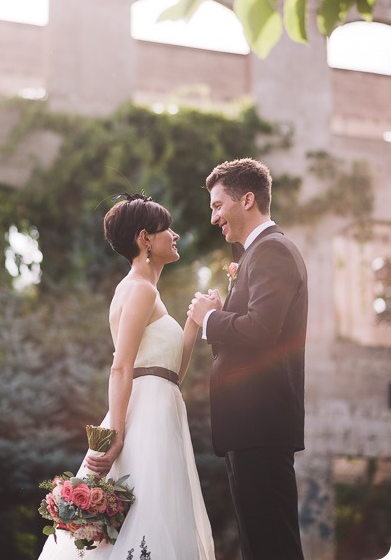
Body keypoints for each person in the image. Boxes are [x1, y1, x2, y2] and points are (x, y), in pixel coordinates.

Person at [38, 193, 215, 560]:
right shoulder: (139, 289)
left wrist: (194, 322)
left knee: (161, 509)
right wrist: (115, 437)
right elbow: (121, 367)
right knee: (148, 514)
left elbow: (171, 374)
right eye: (168, 229)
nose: (176, 235)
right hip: (143, 419)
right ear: (145, 238)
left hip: (163, 409)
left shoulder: (150, 292)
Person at [188, 158, 307, 560]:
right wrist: (223, 314)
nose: (213, 217)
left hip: (262, 426)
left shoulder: (272, 251)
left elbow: (260, 331)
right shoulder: (259, 253)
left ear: (248, 199)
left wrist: (210, 320)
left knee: (273, 545)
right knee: (261, 546)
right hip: (250, 428)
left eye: (218, 205)